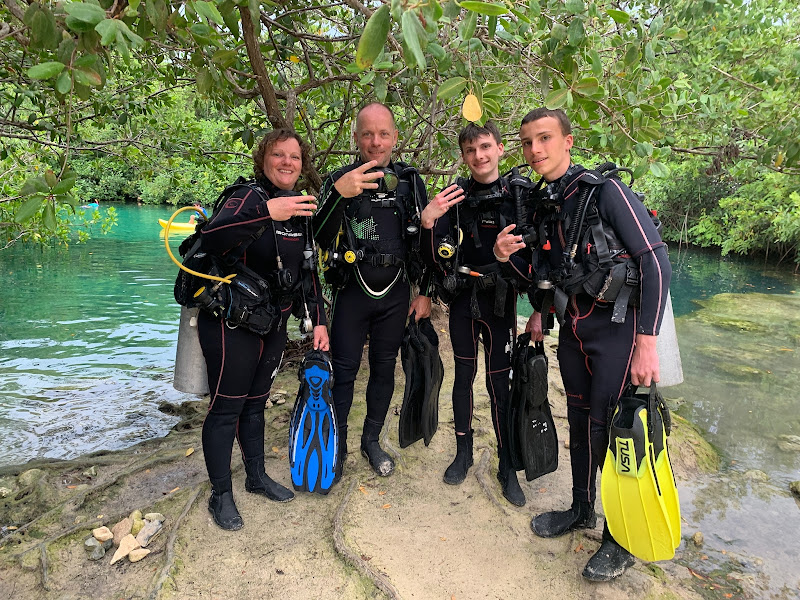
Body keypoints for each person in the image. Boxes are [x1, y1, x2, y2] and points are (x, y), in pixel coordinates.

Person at [494, 108, 671, 580]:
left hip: (616, 330)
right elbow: (541, 277)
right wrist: (504, 259)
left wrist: (647, 343)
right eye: (528, 141)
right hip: (573, 330)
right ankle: (580, 509)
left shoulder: (604, 191)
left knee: (617, 434)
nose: (535, 150)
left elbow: (656, 261)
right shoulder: (540, 203)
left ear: (568, 141)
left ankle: (620, 538)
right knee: (580, 422)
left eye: (545, 138)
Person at [195, 129, 329, 530]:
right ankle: (221, 494)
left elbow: (309, 271)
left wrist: (319, 320)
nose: (287, 162)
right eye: (278, 155)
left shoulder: (302, 209)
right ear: (264, 159)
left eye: (294, 157)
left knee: (255, 404)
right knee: (225, 409)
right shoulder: (249, 197)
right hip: (230, 322)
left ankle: (255, 477)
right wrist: (269, 213)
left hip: (272, 322)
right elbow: (212, 235)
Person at [313, 102, 432, 481]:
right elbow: (316, 234)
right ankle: (341, 445)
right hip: (352, 291)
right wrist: (338, 194)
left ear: (395, 138)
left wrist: (425, 290)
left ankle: (371, 440)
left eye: (383, 134)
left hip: (395, 292)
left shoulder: (410, 183)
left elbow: (428, 240)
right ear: (356, 138)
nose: (375, 142)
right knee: (344, 372)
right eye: (367, 134)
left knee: (385, 368)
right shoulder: (340, 178)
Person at [419, 121, 532, 506]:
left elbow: (537, 258)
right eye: (470, 151)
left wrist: (539, 311)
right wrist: (429, 220)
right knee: (462, 377)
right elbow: (437, 255)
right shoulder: (456, 196)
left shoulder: (519, 195)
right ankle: (463, 452)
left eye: (485, 147)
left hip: (500, 304)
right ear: (464, 156)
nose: (479, 156)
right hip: (466, 301)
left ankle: (507, 465)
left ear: (500, 149)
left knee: (499, 384)